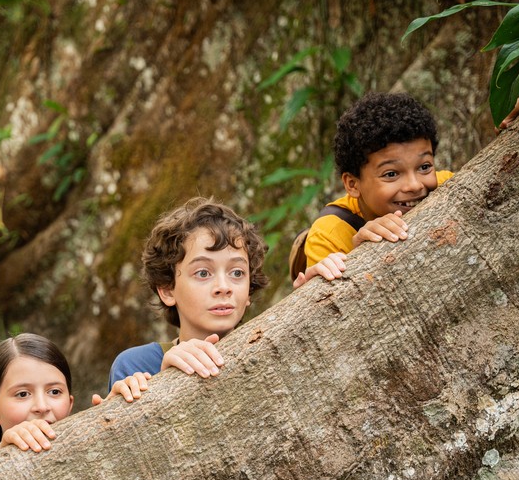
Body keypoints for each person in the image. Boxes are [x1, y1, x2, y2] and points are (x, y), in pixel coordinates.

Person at [102, 198, 269, 400]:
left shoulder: (269, 349)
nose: (223, 287)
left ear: (249, 289)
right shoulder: (138, 365)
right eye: (203, 273)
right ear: (167, 290)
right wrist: (165, 381)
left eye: (237, 273)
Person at [292, 93, 453, 288]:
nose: (415, 185)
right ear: (353, 184)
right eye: (391, 174)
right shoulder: (329, 235)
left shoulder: (447, 187)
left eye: (424, 167)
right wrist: (360, 255)